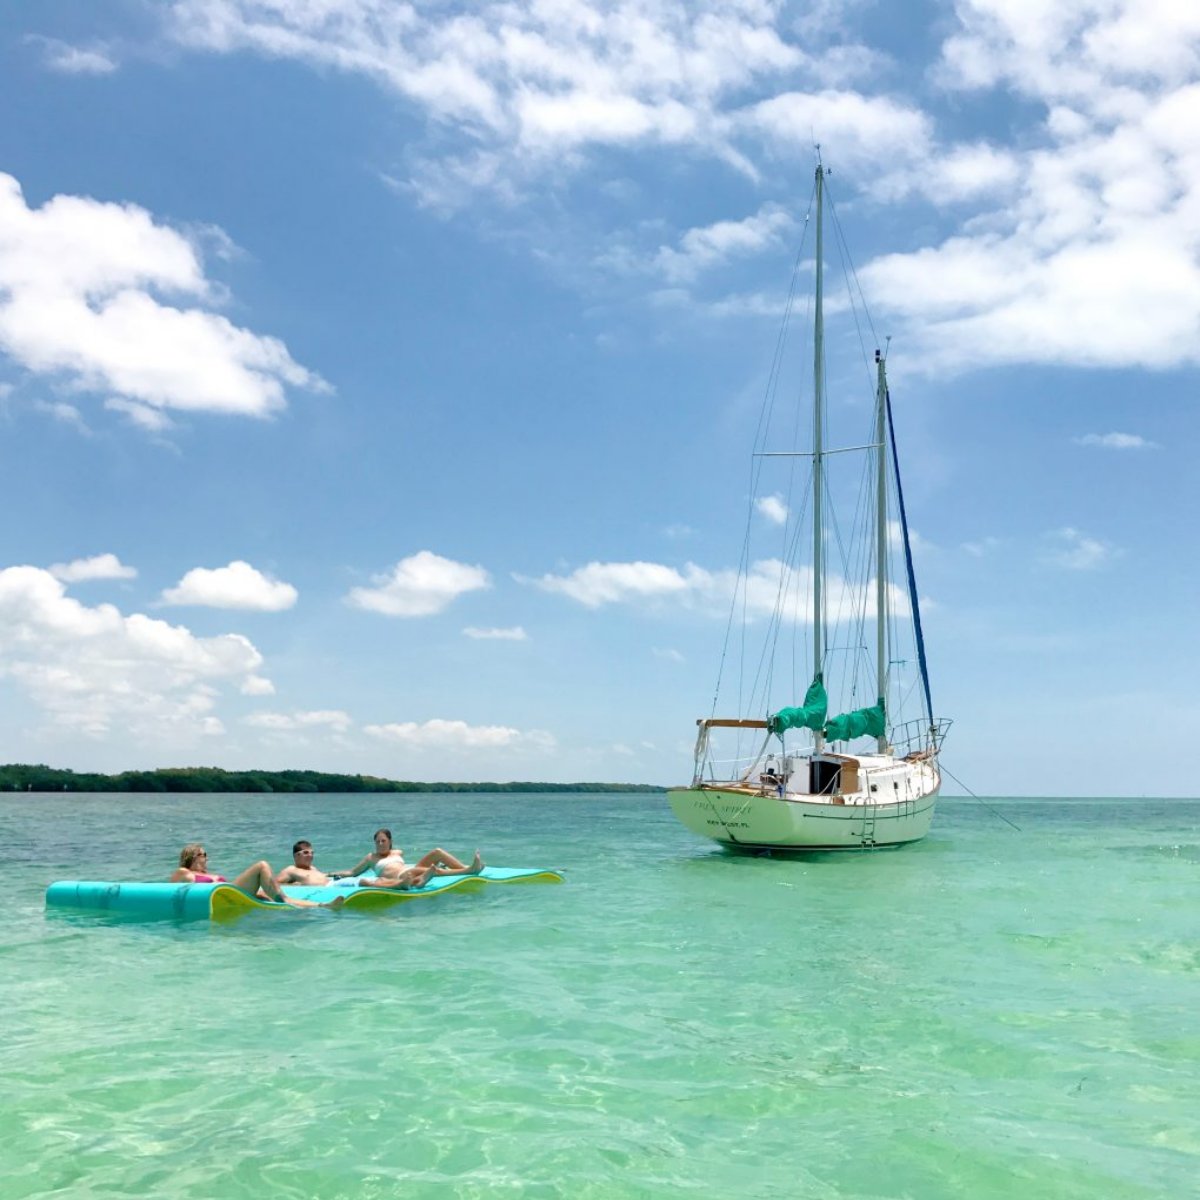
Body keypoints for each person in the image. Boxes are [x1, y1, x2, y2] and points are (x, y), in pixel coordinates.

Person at [171, 843, 343, 909]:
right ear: (192, 857)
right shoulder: (184, 872)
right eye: (203, 855)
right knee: (262, 865)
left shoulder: (206, 874)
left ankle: (322, 905)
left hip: (229, 893)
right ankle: (284, 901)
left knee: (270, 896)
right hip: (222, 895)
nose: (207, 858)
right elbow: (172, 887)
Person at [332, 828, 484, 891]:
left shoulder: (397, 852)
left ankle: (462, 867)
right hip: (399, 876)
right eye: (377, 842)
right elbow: (352, 872)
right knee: (431, 870)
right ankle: (470, 870)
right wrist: (331, 874)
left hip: (409, 871)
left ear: (390, 842)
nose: (380, 844)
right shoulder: (371, 858)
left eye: (383, 841)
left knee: (437, 852)